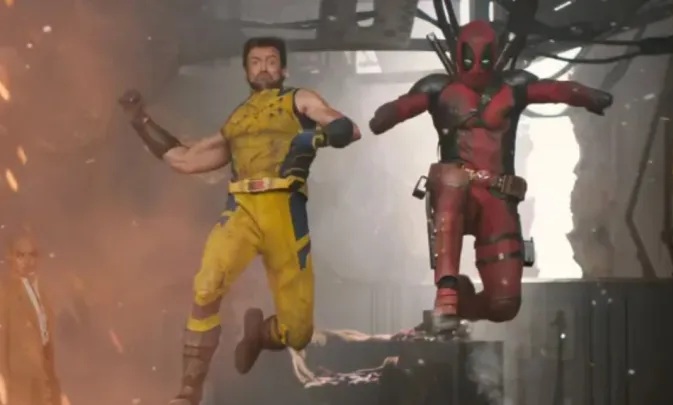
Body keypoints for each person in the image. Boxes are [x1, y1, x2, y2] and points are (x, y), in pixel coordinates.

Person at [118, 36, 362, 405]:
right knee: (205, 287)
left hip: (285, 209)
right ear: (246, 70)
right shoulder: (237, 120)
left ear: (283, 68)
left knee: (297, 332)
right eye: (255, 62)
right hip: (241, 208)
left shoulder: (299, 100)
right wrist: (140, 121)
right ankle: (190, 388)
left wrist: (323, 135)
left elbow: (347, 127)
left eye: (271, 61)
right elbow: (184, 159)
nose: (263, 67)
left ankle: (261, 335)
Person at [369, 21, 613, 333]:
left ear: (494, 56)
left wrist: (585, 95)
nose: (476, 68)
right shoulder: (439, 89)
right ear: (459, 54)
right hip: (456, 192)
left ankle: (460, 304)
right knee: (452, 179)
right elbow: (404, 106)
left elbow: (553, 90)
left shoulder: (513, 88)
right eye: (470, 58)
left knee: (504, 304)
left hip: (498, 197)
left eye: (484, 59)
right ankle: (446, 292)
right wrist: (386, 115)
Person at [0, 234, 63, 405]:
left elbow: (47, 338)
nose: (27, 260)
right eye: (21, 255)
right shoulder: (6, 292)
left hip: (44, 379)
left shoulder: (42, 292)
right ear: (11, 258)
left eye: (32, 254)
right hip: (19, 382)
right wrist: (2, 380)